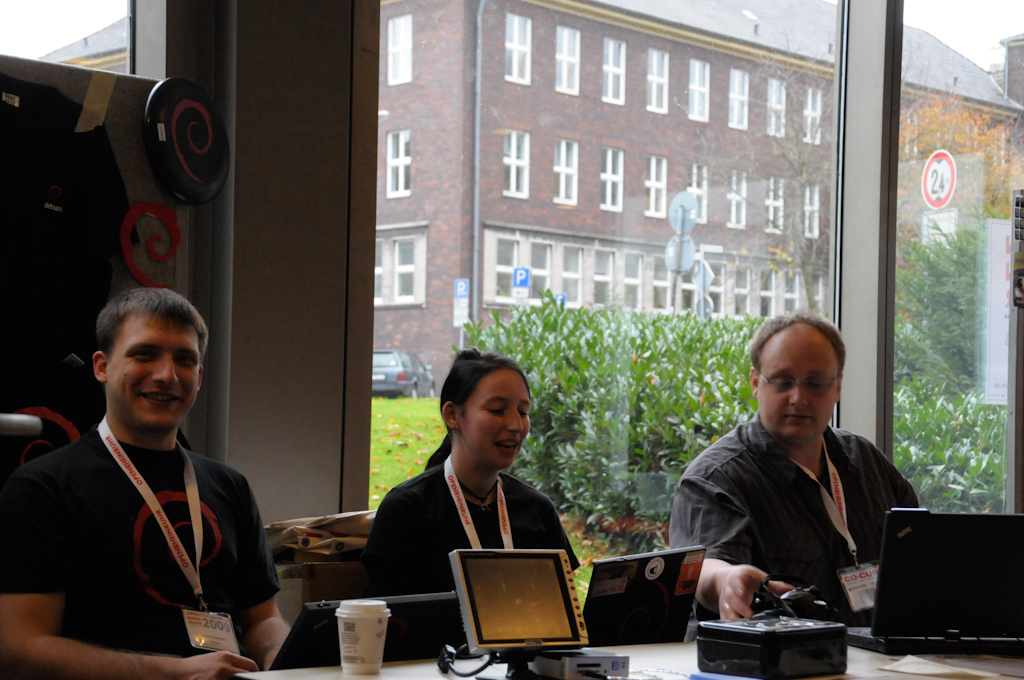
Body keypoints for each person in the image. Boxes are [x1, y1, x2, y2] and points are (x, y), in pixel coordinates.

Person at [0, 288, 290, 679]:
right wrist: (175, 672)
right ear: (102, 367)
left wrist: (280, 657)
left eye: (184, 359)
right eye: (144, 354)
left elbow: (262, 618)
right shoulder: (42, 488)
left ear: (199, 376)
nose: (167, 375)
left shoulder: (229, 485)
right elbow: (20, 650)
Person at [670, 313, 917, 627]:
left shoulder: (866, 461)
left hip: (878, 654)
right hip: (781, 657)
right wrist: (725, 579)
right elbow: (704, 570)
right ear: (756, 383)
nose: (799, 398)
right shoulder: (716, 479)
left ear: (838, 387)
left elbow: (921, 549)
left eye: (815, 383)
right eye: (783, 381)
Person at [362, 348, 578, 596]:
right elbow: (387, 614)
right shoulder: (408, 510)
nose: (516, 425)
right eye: (497, 410)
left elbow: (564, 610)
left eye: (523, 412)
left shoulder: (537, 509)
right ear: (452, 415)